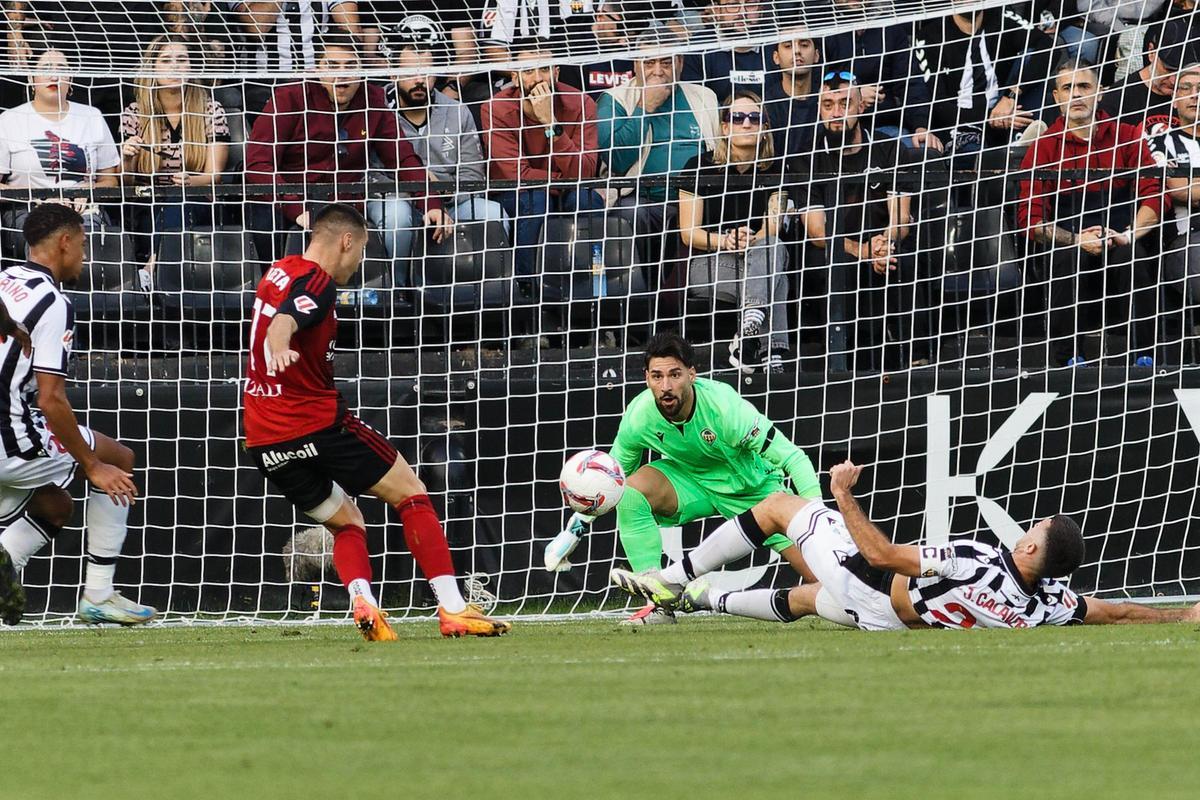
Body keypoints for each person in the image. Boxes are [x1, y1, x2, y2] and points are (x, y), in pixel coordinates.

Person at [241, 203, 510, 641]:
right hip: (314, 423)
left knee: (348, 522)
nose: (362, 262)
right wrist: (280, 339)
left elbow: (280, 311)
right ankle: (454, 607)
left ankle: (362, 600)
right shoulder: (318, 281)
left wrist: (278, 340)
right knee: (412, 493)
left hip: (263, 438)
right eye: (362, 250)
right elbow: (288, 318)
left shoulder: (278, 270)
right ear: (347, 241)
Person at [612, 460, 1200, 630]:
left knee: (778, 507)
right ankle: (693, 600)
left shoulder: (979, 560)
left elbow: (882, 556)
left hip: (872, 585)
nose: (1026, 530)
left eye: (1034, 530)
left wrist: (843, 494)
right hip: (894, 624)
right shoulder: (1050, 603)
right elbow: (1113, 610)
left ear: (1028, 552)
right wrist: (1179, 614)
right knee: (803, 598)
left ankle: (675, 572)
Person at [542, 332, 821, 624]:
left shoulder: (725, 409)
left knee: (829, 581)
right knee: (631, 494)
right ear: (646, 378)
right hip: (692, 482)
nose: (666, 387)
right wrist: (574, 528)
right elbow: (612, 482)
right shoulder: (640, 416)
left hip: (756, 490)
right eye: (657, 376)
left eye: (675, 375)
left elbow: (793, 457)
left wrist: (817, 521)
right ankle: (660, 601)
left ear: (692, 374)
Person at [0, 204, 155, 627]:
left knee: (55, 507)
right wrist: (92, 466)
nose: (85, 257)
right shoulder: (53, 302)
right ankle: (99, 596)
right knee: (118, 460)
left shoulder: (7, 280)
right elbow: (51, 400)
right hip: (9, 439)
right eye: (84, 246)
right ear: (65, 243)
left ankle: (6, 559)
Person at [245, 33, 451, 276]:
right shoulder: (289, 97)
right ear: (316, 68)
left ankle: (398, 292)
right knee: (266, 218)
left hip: (347, 199)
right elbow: (257, 164)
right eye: (332, 66)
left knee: (398, 214)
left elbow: (401, 157)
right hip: (290, 199)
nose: (342, 74)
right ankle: (276, 293)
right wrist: (296, 209)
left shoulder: (372, 99)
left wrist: (431, 202)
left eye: (350, 66)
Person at [1017, 60, 1162, 368]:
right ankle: (1069, 358)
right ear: (1056, 97)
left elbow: (1154, 197)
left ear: (1100, 93)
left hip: (1119, 237)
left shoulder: (1128, 135)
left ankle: (1145, 358)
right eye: (1068, 88)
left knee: (1132, 255)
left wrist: (1126, 234)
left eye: (1084, 86)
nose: (1076, 95)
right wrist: (1076, 240)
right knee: (1070, 259)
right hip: (1068, 246)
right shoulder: (1042, 147)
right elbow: (1031, 220)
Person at [801, 72, 916, 372]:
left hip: (880, 244)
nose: (836, 112)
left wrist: (882, 244)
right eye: (828, 105)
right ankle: (840, 365)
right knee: (832, 266)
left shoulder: (889, 149)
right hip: (833, 250)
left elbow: (901, 219)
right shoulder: (807, 157)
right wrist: (863, 250)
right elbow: (816, 232)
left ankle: (915, 359)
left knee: (905, 258)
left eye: (844, 104)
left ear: (860, 108)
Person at [677, 90, 791, 373]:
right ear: (725, 126)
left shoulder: (779, 167)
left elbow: (773, 226)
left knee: (772, 248)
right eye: (737, 117)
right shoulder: (698, 165)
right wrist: (727, 240)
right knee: (776, 278)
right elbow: (689, 233)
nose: (746, 124)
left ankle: (751, 341)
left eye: (755, 118)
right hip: (711, 263)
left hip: (761, 259)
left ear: (765, 128)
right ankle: (771, 351)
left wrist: (751, 240)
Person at [596, 30, 721, 285]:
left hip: (697, 199)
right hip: (641, 199)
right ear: (635, 65)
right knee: (631, 213)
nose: (658, 71)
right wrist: (646, 107)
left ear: (681, 63)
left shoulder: (704, 96)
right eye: (649, 63)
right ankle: (640, 297)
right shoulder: (615, 98)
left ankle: (686, 300)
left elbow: (719, 154)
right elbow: (616, 159)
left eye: (666, 62)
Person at [480, 38, 603, 277]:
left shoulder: (581, 103)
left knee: (587, 199)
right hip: (516, 194)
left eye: (545, 69)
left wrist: (551, 123)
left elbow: (586, 172)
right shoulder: (495, 108)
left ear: (556, 73)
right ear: (514, 77)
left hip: (568, 190)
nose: (538, 78)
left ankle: (592, 281)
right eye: (528, 71)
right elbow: (518, 175)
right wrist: (563, 181)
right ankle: (529, 288)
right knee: (536, 199)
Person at [119, 34, 230, 288]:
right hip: (147, 203)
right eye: (166, 60)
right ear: (153, 66)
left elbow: (214, 175)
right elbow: (124, 181)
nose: (175, 66)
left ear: (192, 65)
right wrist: (127, 157)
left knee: (180, 197)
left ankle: (152, 267)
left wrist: (191, 180)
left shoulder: (211, 109)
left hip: (198, 201)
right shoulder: (134, 112)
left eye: (182, 59)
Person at [0, 47, 120, 260]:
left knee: (86, 239)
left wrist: (86, 190)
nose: (54, 75)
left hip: (82, 211)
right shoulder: (9, 120)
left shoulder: (92, 116)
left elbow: (110, 180)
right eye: (46, 68)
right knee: (46, 239)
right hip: (28, 210)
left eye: (61, 68)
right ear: (31, 77)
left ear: (71, 77)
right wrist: (39, 196)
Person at [386, 39, 508, 236]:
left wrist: (444, 192)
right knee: (396, 216)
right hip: (397, 199)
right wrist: (419, 192)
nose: (419, 80)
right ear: (393, 73)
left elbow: (473, 175)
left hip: (451, 201)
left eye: (426, 72)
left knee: (494, 214)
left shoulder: (457, 112)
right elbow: (371, 173)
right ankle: (396, 269)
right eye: (410, 72)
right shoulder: (376, 107)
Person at [1101, 18, 1195, 131]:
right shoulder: (1117, 98)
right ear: (1151, 52)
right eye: (1168, 70)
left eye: (1181, 72)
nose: (1173, 80)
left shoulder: (1193, 96)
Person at [763, 35, 822, 159]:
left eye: (804, 45)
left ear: (816, 55)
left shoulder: (828, 102)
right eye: (788, 46)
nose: (797, 51)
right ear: (776, 57)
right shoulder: (765, 105)